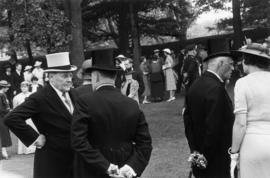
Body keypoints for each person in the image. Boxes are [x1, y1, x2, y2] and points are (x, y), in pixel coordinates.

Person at [71, 53, 152, 178]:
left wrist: (106, 166)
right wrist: (131, 167)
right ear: (114, 77)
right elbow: (145, 143)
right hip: (125, 166)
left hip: (93, 170)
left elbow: (78, 141)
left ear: (95, 76)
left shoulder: (84, 102)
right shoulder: (131, 104)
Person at [4, 52, 77, 178]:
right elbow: (12, 118)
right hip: (52, 163)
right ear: (51, 77)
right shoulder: (40, 98)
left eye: (70, 75)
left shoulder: (75, 94)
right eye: (64, 76)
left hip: (76, 162)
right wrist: (34, 138)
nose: (69, 79)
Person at [183, 52, 235, 178]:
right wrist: (205, 156)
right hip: (216, 157)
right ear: (220, 64)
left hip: (199, 151)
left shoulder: (195, 85)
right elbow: (214, 127)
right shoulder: (216, 89)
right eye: (231, 64)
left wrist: (195, 151)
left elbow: (187, 121)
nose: (233, 68)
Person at [230, 40, 270, 178]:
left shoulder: (242, 83)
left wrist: (234, 152)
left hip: (253, 143)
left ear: (247, 61)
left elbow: (240, 123)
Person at [13, 81, 37, 155]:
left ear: (28, 87)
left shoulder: (32, 95)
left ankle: (33, 149)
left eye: (25, 86)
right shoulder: (17, 97)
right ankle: (23, 150)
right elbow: (14, 109)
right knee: (23, 132)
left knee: (33, 131)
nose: (24, 88)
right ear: (20, 87)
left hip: (31, 118)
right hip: (21, 118)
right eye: (22, 87)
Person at [0, 80, 12, 159]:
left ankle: (3, 152)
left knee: (3, 134)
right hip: (1, 117)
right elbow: (1, 108)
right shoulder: (1, 95)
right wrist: (8, 112)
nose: (7, 88)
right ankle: (3, 153)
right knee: (3, 134)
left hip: (2, 116)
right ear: (3, 87)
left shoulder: (3, 94)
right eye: (7, 87)